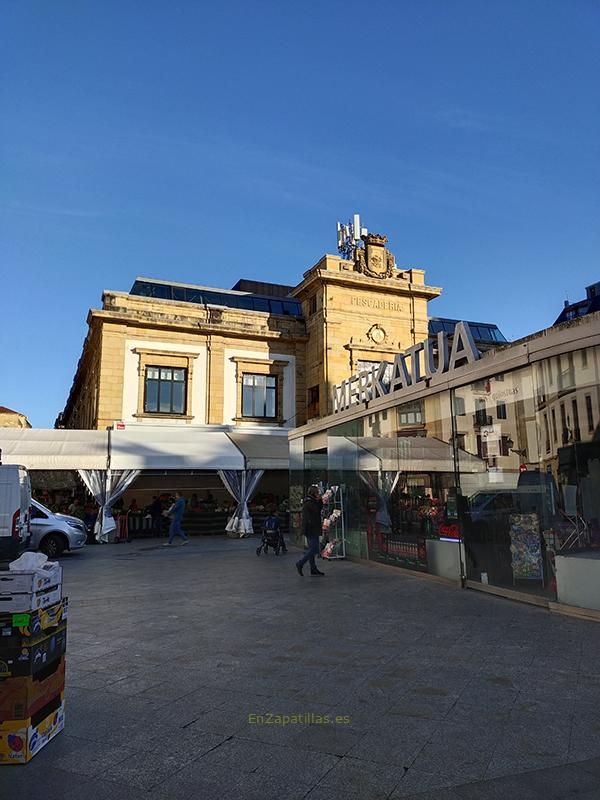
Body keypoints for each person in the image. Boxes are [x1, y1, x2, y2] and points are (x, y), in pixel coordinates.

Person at [296, 485, 324, 576]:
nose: (318, 494)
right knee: (314, 548)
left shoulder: (311, 501)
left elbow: (319, 508)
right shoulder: (309, 503)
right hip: (311, 528)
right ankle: (301, 563)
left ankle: (313, 568)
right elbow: (315, 511)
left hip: (311, 528)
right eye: (317, 493)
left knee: (312, 548)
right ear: (314, 493)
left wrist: (319, 500)